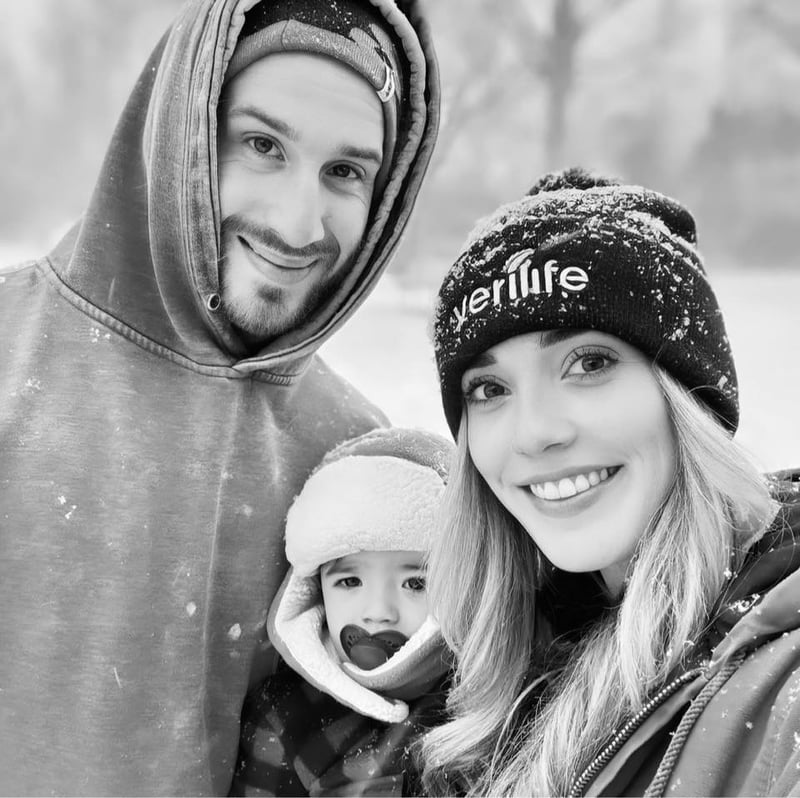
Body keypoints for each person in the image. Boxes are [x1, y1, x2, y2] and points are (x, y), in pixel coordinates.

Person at [0, 0, 439, 794]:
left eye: (345, 171)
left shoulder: (351, 462)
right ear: (182, 133)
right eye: (263, 144)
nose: (297, 222)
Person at [418, 167, 800, 797]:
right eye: (489, 390)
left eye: (589, 363)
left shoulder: (780, 678)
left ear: (688, 398)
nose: (534, 433)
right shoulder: (483, 670)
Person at [229, 426, 453, 796]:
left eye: (416, 584)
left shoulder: (492, 693)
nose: (378, 613)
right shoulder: (284, 718)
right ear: (314, 590)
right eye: (350, 582)